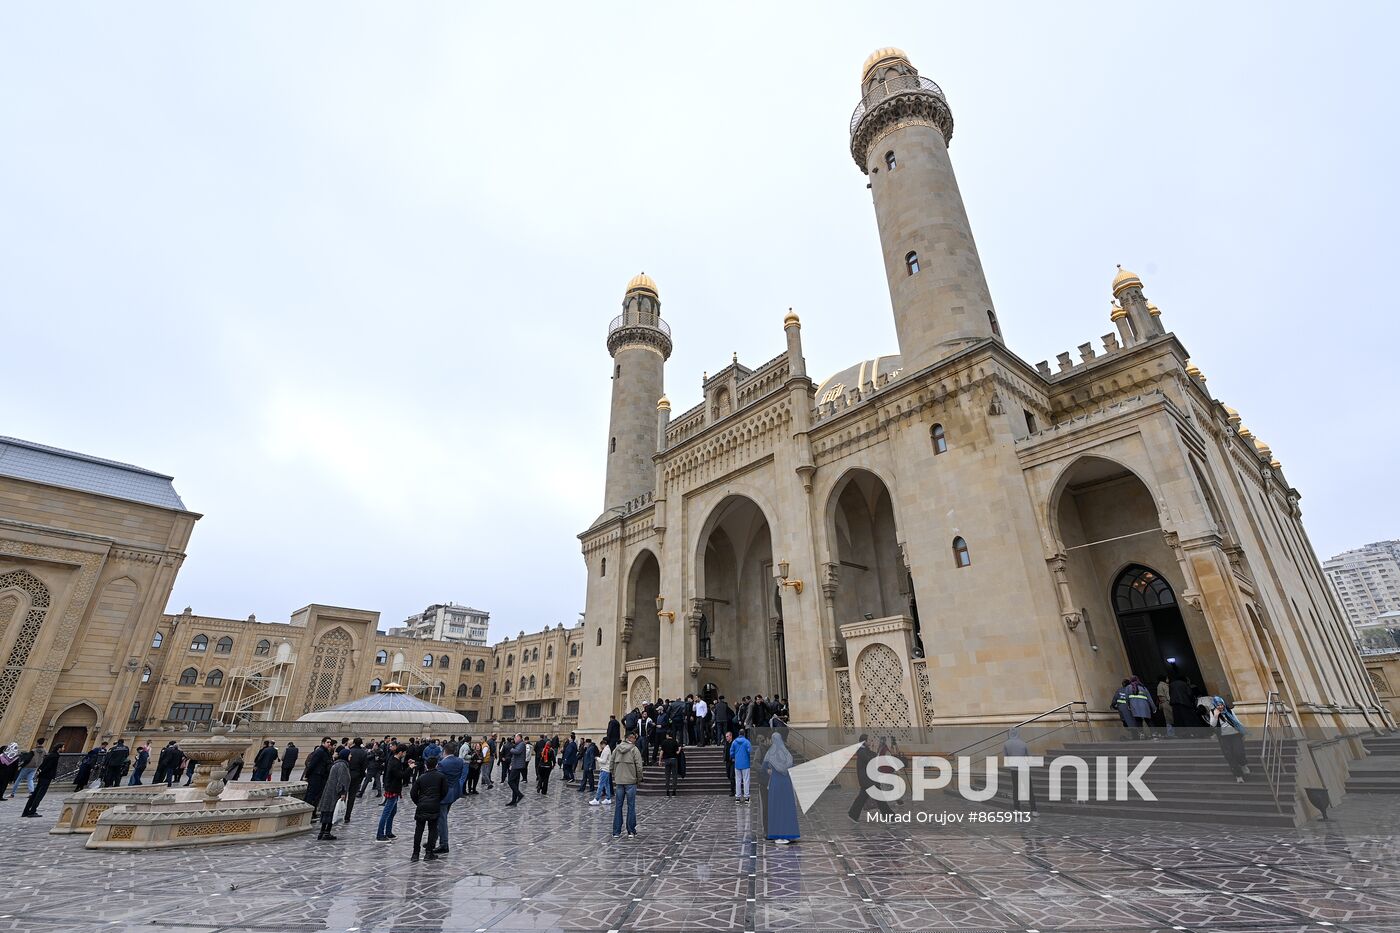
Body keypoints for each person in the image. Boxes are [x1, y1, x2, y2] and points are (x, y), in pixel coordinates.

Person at [762, 732, 799, 844]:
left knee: (776, 808)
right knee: (787, 807)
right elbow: (792, 766)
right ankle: (789, 834)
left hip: (776, 783)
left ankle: (778, 834)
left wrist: (770, 771)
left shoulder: (770, 753)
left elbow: (764, 767)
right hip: (786, 783)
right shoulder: (787, 753)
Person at [410, 755, 448, 861]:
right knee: (432, 830)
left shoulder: (421, 777)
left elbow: (413, 793)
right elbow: (445, 791)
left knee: (418, 831)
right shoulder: (441, 777)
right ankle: (429, 853)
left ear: (426, 765)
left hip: (422, 805)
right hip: (434, 805)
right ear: (436, 765)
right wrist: (437, 800)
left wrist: (418, 802)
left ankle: (415, 854)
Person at [848, 734, 892, 823]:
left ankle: (853, 814)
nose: (871, 742)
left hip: (868, 780)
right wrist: (875, 751)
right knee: (879, 798)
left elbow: (874, 757)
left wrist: (875, 750)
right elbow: (870, 760)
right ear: (864, 741)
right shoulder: (861, 751)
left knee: (862, 798)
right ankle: (890, 817)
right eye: (869, 740)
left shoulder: (865, 750)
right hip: (867, 780)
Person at [610, 733, 644, 838]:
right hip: (631, 781)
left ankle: (616, 831)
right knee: (631, 806)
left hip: (620, 781)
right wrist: (639, 779)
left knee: (618, 806)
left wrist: (615, 776)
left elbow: (611, 764)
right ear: (630, 738)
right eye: (634, 738)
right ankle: (631, 830)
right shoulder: (634, 750)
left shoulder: (616, 749)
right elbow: (639, 766)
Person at [1208, 696, 1250, 782]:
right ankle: (1238, 776)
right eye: (1218, 705)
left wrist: (1243, 731)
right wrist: (1216, 716)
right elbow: (1212, 724)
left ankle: (1243, 765)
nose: (1220, 707)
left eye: (1221, 704)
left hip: (1235, 734)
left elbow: (1236, 721)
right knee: (1229, 756)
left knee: (1239, 752)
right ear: (1215, 705)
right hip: (1223, 737)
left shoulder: (1229, 710)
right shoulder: (1213, 712)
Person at [433, 742, 463, 854]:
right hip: (454, 792)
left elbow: (437, 778)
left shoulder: (442, 764)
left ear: (444, 751)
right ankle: (433, 840)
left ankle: (444, 844)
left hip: (444, 794)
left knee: (442, 819)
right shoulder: (460, 761)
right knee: (441, 818)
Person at [21, 741, 63, 817]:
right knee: (40, 794)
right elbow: (49, 767)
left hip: (42, 776)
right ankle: (32, 811)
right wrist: (44, 773)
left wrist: (39, 772)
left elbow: (43, 765)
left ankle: (26, 811)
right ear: (59, 749)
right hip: (46, 777)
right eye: (63, 747)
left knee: (35, 793)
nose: (64, 748)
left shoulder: (50, 755)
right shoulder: (55, 756)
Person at [376, 745, 409, 841]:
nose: (405, 754)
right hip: (392, 789)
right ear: (400, 753)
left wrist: (407, 764)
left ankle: (388, 832)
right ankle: (380, 835)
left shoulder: (395, 760)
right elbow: (400, 775)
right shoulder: (394, 762)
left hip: (394, 789)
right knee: (386, 813)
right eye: (404, 752)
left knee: (392, 812)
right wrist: (410, 768)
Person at [318, 749, 352, 841]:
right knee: (332, 812)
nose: (350, 757)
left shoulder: (336, 764)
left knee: (327, 812)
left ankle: (322, 832)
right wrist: (342, 793)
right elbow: (342, 780)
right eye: (349, 755)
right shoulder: (343, 766)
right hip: (334, 793)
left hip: (329, 791)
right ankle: (327, 833)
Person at [1002, 727, 1037, 813]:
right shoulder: (1023, 743)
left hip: (1014, 769)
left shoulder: (1006, 744)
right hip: (1024, 768)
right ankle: (1034, 810)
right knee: (1028, 789)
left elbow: (1006, 757)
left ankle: (1017, 809)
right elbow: (1029, 757)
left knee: (1016, 789)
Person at [303, 737, 335, 816]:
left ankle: (312, 813)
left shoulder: (325, 752)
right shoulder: (320, 751)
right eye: (327, 742)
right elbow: (312, 764)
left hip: (321, 776)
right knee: (312, 795)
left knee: (316, 796)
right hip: (316, 776)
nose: (329, 744)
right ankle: (307, 813)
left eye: (329, 743)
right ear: (323, 742)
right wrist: (307, 775)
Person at [1126, 676, 1157, 740]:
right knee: (1148, 720)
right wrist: (1154, 708)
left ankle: (1141, 734)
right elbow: (1149, 698)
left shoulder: (1128, 688)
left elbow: (1127, 698)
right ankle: (1154, 734)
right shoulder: (1143, 687)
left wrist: (1128, 706)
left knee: (1138, 721)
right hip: (1145, 707)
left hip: (1134, 707)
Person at [728, 729, 753, 802]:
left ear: (739, 734)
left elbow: (731, 752)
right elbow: (750, 751)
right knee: (746, 780)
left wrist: (734, 757)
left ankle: (738, 797)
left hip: (737, 764)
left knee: (738, 780)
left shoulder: (734, 742)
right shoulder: (747, 742)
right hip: (746, 763)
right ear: (744, 734)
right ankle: (746, 797)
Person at [505, 734, 527, 806]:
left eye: (515, 738)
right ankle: (514, 800)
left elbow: (517, 752)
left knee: (510, 781)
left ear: (519, 738)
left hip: (518, 766)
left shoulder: (522, 744)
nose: (514, 739)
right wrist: (511, 764)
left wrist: (510, 749)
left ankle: (519, 795)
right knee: (515, 783)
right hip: (515, 765)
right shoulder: (518, 744)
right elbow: (514, 756)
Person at [589, 740, 612, 805]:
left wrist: (597, 758)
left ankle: (596, 799)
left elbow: (604, 761)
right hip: (606, 769)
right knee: (607, 785)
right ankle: (608, 798)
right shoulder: (607, 749)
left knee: (600, 785)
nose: (600, 747)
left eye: (601, 745)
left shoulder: (606, 750)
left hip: (604, 769)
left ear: (603, 744)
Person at [660, 728, 681, 797]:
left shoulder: (664, 742)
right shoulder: (675, 742)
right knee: (674, 776)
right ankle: (674, 792)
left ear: (667, 735)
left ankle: (667, 792)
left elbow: (661, 752)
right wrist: (680, 749)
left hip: (667, 760)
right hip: (674, 760)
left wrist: (660, 760)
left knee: (667, 776)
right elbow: (677, 752)